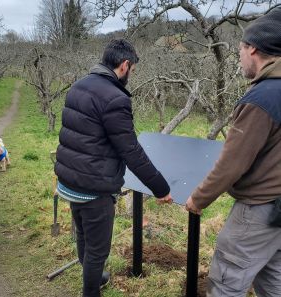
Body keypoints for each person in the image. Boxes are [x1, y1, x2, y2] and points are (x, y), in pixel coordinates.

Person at [55, 39, 173, 297]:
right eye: (132, 69)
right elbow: (131, 151)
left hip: (70, 181)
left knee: (85, 237)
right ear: (125, 65)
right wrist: (161, 188)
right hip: (94, 187)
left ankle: (95, 277)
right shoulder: (115, 98)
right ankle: (91, 290)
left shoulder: (78, 85)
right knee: (98, 250)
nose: (131, 74)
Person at [185, 7, 281, 297]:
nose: (238, 57)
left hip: (257, 211)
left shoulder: (261, 98)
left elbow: (232, 164)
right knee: (273, 279)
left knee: (227, 281)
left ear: (253, 49)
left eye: (240, 49)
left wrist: (198, 199)